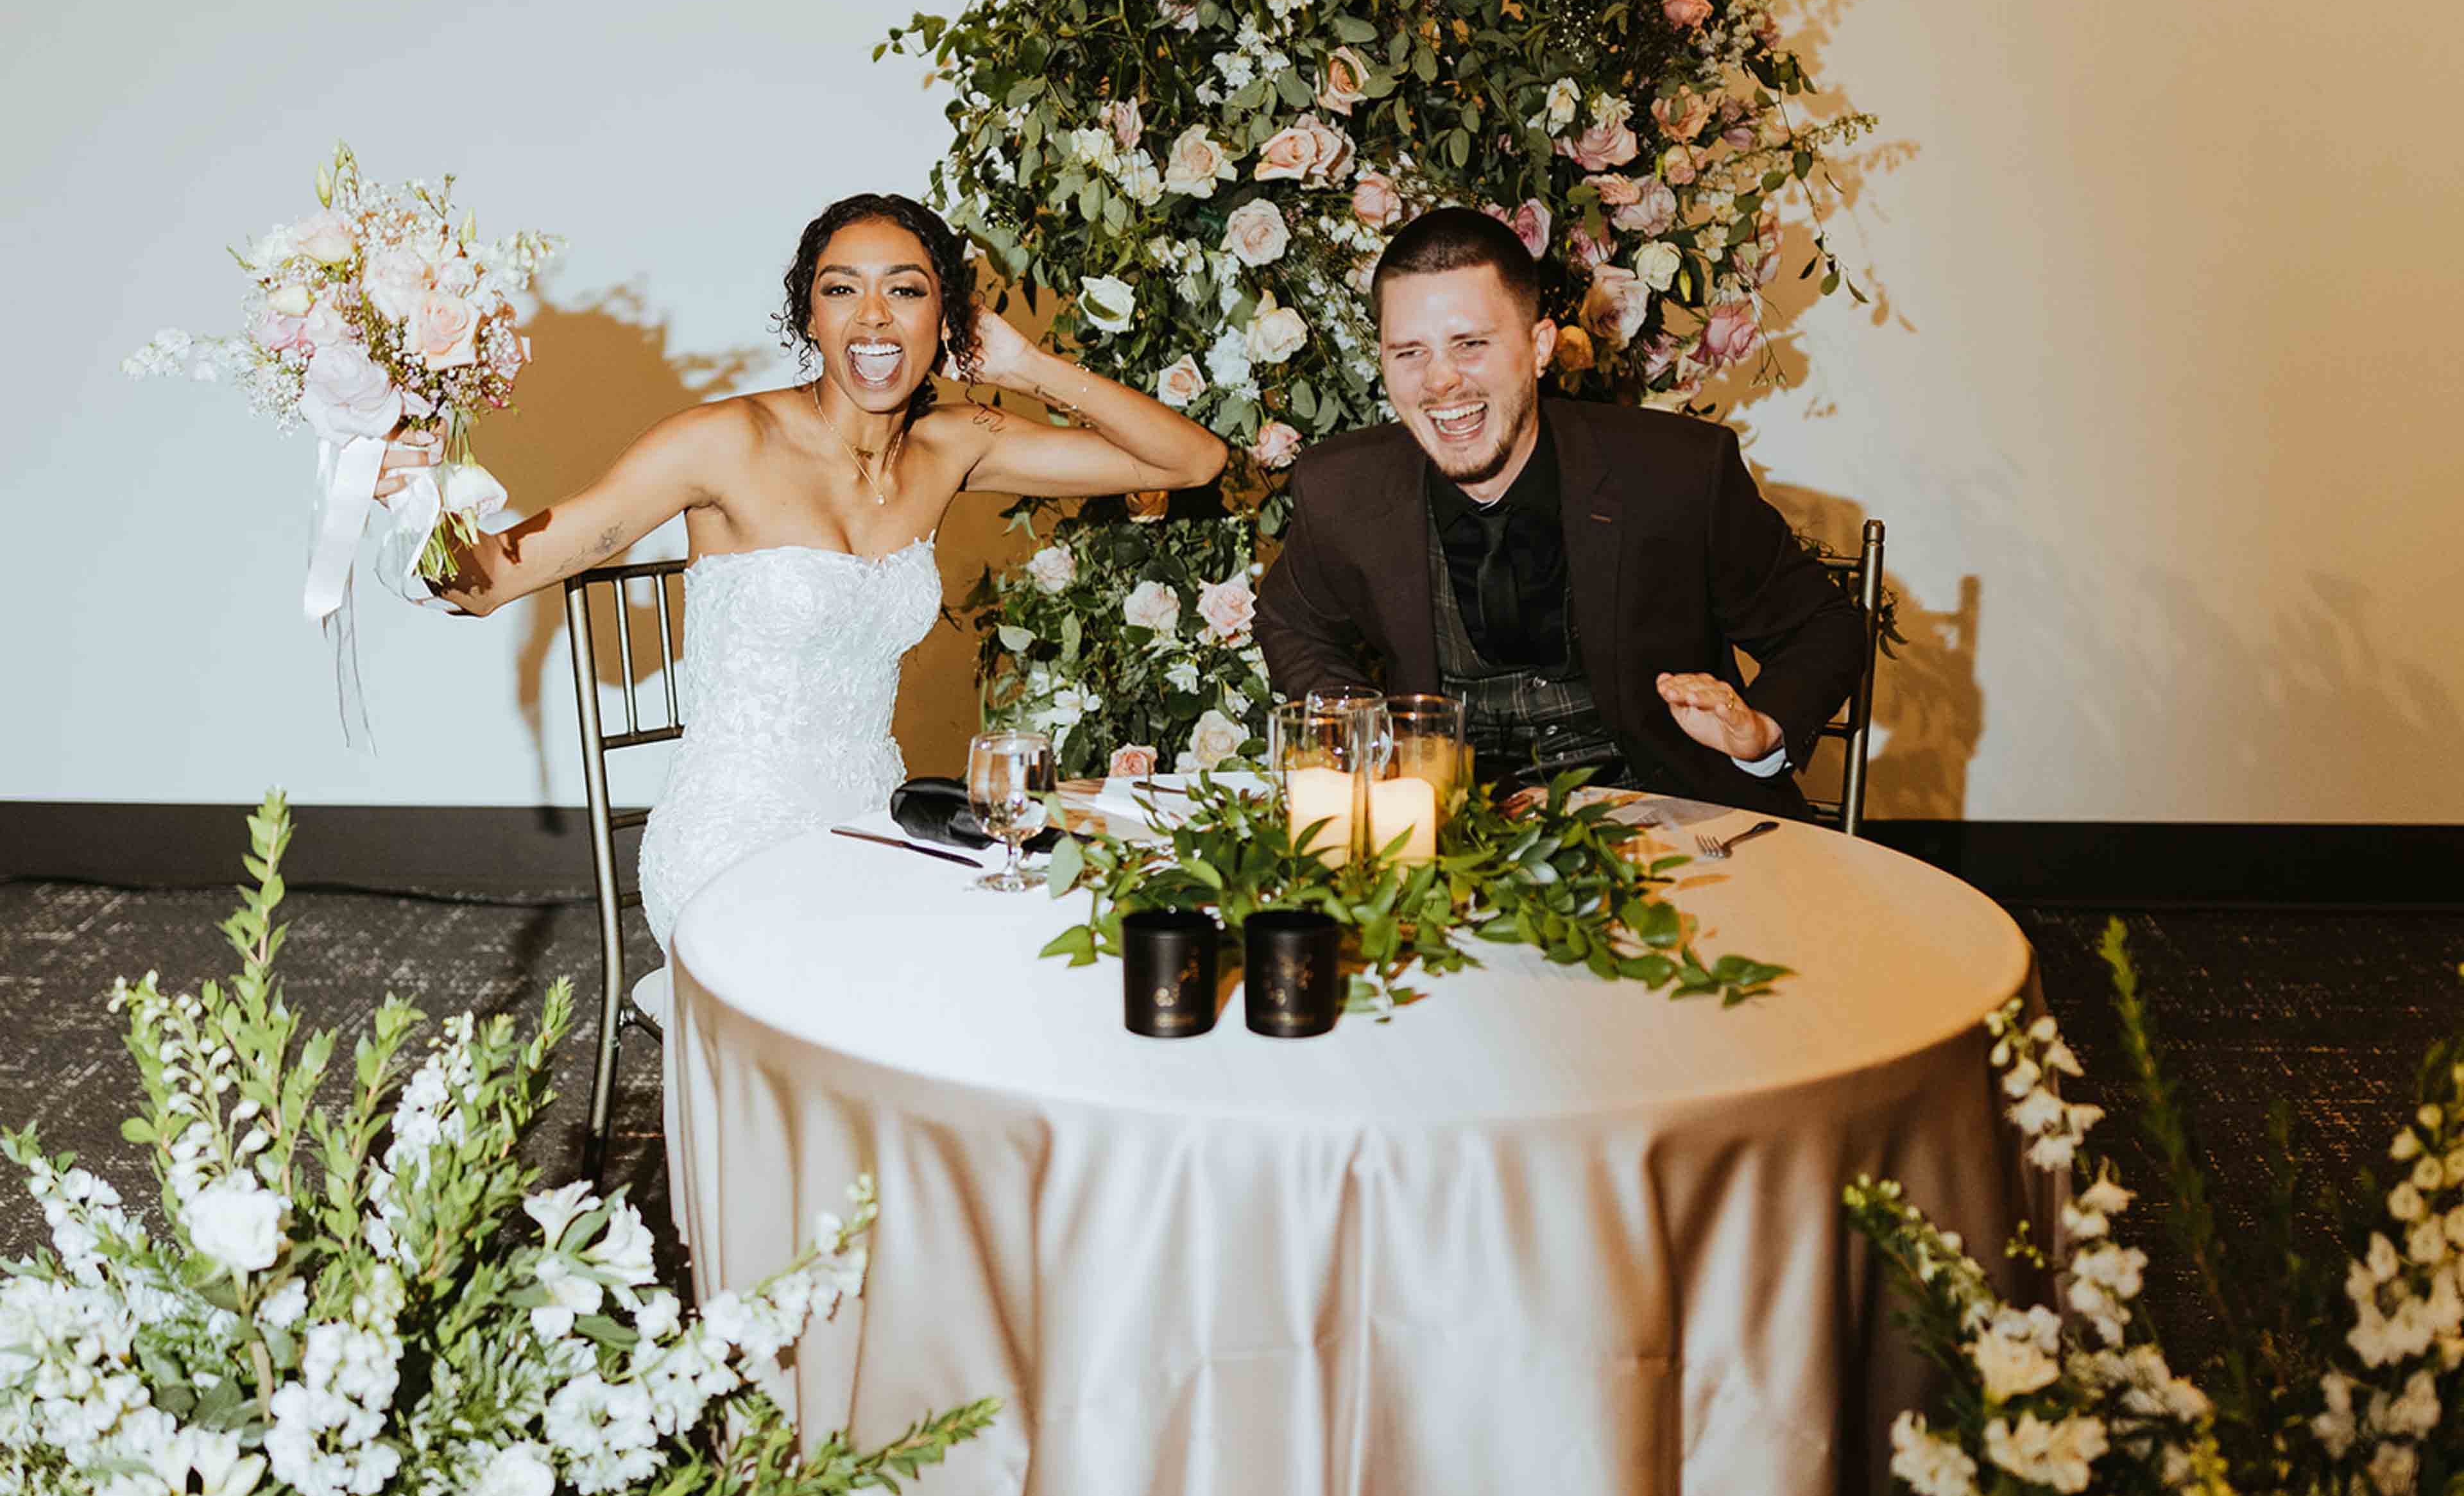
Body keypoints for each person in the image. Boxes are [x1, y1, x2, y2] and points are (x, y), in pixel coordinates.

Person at [381, 192, 1226, 946]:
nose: (873, 318)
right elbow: (488, 583)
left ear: (947, 318)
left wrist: (1024, 367)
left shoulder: (952, 446)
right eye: (840, 290)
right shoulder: (720, 444)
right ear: (810, 320)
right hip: (732, 837)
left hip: (879, 824)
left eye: (905, 290)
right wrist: (406, 497)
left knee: (1017, 956)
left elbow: (1190, 462)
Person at [1254, 207, 1862, 815]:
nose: (1440, 382)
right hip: (1445, 837)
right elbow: (1290, 621)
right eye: (1410, 352)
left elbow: (1823, 626)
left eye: (1471, 344)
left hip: (1665, 827)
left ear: (1540, 347)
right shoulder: (1341, 487)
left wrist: (1761, 731)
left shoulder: (1677, 472)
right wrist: (1365, 730)